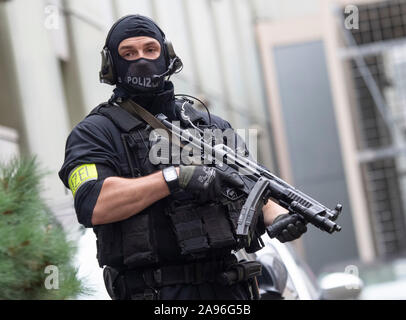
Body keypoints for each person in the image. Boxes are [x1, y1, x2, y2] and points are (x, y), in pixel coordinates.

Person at [58, 14, 307, 300]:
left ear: (167, 57)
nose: (141, 59)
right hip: (153, 292)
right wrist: (177, 177)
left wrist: (276, 215)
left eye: (150, 50)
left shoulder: (211, 126)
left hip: (229, 288)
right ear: (112, 65)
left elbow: (249, 187)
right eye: (129, 53)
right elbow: (94, 202)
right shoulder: (94, 133)